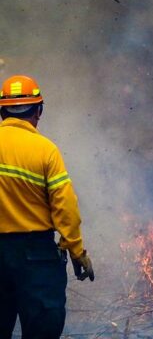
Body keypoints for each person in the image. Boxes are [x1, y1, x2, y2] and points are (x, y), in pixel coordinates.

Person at [0, 75, 94, 339]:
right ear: (38, 111)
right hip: (36, 257)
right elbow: (65, 206)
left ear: (2, 112)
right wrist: (76, 251)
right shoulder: (45, 151)